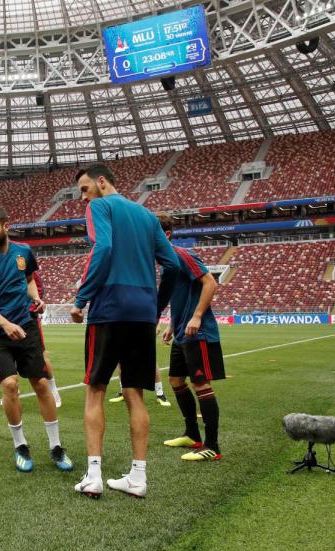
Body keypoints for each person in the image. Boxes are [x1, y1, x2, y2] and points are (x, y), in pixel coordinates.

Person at [69, 163, 179, 499]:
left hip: (109, 308)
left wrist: (81, 299)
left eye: (85, 188)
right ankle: (138, 477)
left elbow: (103, 248)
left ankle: (94, 475)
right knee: (135, 392)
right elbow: (172, 265)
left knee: (96, 388)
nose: (83, 197)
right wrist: (155, 306)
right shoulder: (148, 216)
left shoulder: (99, 206)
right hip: (142, 312)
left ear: (102, 182)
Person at [0, 205, 73, 474]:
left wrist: (36, 299)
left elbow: (28, 280)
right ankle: (20, 445)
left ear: (6, 226)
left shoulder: (24, 252)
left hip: (26, 326)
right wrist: (4, 323)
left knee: (40, 382)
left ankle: (56, 446)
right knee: (10, 384)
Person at [156, 212, 225, 462]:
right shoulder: (167, 263)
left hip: (199, 332)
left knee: (201, 384)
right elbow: (180, 297)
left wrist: (196, 316)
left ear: (165, 235)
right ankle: (192, 434)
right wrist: (172, 325)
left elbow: (210, 283)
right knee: (175, 380)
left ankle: (212, 446)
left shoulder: (182, 255)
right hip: (182, 333)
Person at [31, 271, 63, 408]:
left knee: (42, 356)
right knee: (9, 355)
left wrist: (32, 306)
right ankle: (11, 392)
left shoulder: (21, 259)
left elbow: (38, 286)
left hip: (27, 318)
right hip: (6, 318)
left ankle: (54, 389)